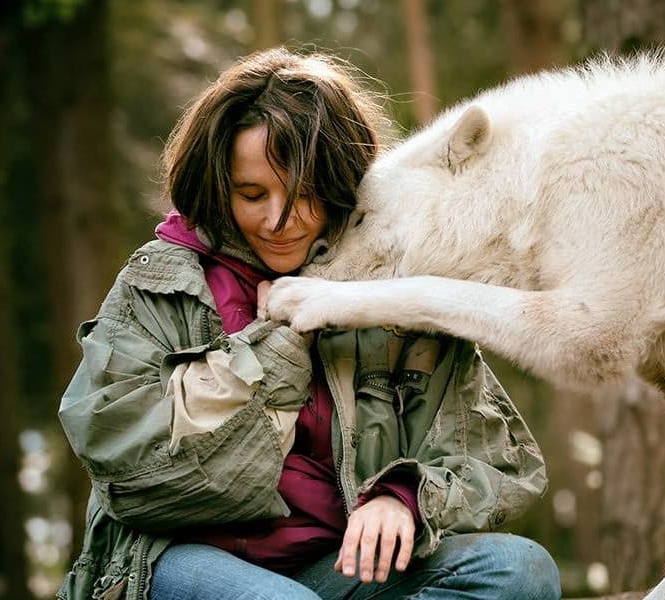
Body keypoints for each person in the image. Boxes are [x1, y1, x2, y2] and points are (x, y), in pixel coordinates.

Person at [57, 47, 559, 600]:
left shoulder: (391, 287)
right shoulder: (156, 286)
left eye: (304, 196)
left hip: (334, 568)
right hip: (173, 566)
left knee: (519, 570)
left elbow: (500, 461)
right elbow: (130, 472)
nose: (278, 220)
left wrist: (406, 497)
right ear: (217, 185)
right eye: (252, 194)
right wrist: (283, 336)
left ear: (342, 183)